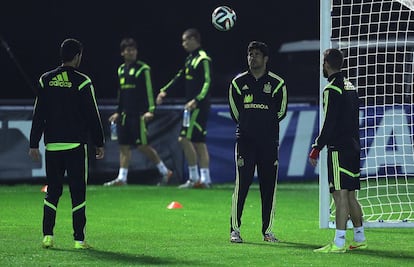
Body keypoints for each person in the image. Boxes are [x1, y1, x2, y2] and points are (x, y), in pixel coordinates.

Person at [28, 38, 105, 249]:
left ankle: (48, 236)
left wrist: (34, 142)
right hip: (74, 146)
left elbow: (38, 114)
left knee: (53, 190)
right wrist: (99, 142)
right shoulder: (83, 81)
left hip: (52, 145)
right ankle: (79, 240)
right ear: (78, 56)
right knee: (77, 191)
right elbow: (92, 115)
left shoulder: (46, 79)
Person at [228, 41, 287, 243]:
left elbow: (281, 111)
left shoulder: (277, 84)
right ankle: (234, 230)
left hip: (268, 143)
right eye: (250, 54)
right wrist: (247, 126)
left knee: (268, 187)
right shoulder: (238, 83)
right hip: (245, 142)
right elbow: (235, 112)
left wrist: (265, 126)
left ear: (266, 59)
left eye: (257, 54)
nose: (252, 57)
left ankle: (267, 232)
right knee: (241, 185)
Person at [309, 48, 367, 253]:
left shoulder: (331, 89)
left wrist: (317, 146)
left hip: (339, 149)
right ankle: (359, 237)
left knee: (339, 195)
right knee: (351, 196)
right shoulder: (350, 86)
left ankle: (339, 242)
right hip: (353, 147)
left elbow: (329, 123)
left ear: (326, 64)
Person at [104, 38, 172, 186]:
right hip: (124, 116)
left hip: (138, 115)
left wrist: (151, 110)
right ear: (122, 53)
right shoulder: (121, 69)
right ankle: (122, 178)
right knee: (124, 146)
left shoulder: (143, 69)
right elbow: (121, 94)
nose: (131, 52)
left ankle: (165, 171)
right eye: (128, 50)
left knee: (142, 145)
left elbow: (148, 90)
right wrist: (118, 112)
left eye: (133, 50)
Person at [156, 28, 212, 188]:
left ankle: (198, 179)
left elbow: (208, 82)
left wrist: (197, 100)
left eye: (186, 40)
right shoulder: (189, 59)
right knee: (197, 142)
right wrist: (164, 91)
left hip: (199, 107)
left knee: (186, 139)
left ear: (195, 39)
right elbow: (179, 77)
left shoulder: (203, 59)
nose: (184, 44)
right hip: (191, 107)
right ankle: (201, 179)